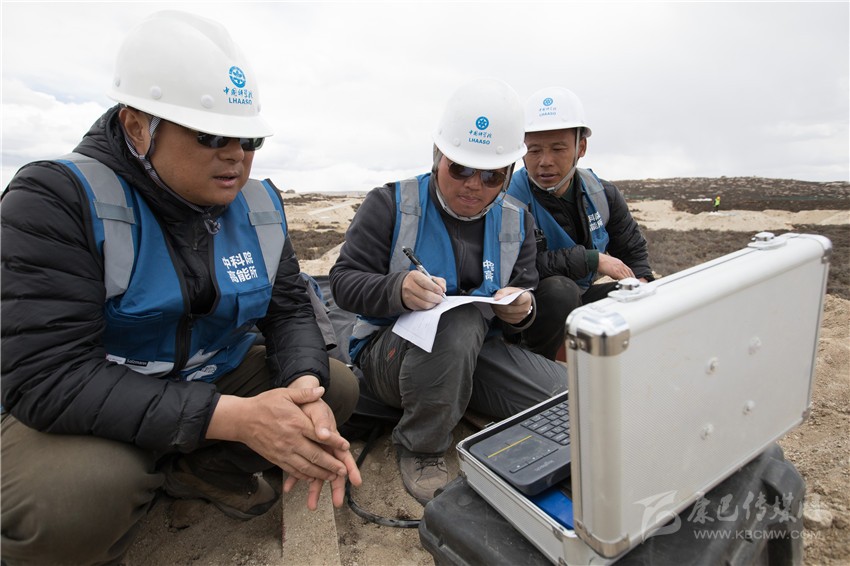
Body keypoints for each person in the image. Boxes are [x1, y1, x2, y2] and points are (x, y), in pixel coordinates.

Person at [0, 11, 361, 565]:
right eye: (211, 135)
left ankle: (194, 472)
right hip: (93, 401)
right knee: (74, 498)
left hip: (207, 377)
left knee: (335, 388)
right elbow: (46, 377)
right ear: (137, 127)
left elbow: (289, 310)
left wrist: (303, 387)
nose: (236, 154)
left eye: (250, 138)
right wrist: (236, 419)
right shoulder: (54, 199)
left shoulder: (260, 205)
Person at [329, 78, 567, 505]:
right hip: (389, 352)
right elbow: (344, 282)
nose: (474, 184)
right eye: (460, 169)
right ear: (438, 155)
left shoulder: (517, 220)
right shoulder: (390, 204)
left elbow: (526, 290)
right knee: (457, 320)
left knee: (567, 400)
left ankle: (452, 398)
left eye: (492, 176)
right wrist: (397, 289)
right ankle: (422, 445)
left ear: (508, 173)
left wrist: (523, 308)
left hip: (477, 354)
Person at [507, 87, 653, 361]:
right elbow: (518, 269)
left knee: (639, 294)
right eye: (534, 150)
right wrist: (591, 259)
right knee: (560, 291)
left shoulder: (602, 193)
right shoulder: (507, 202)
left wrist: (641, 284)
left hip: (581, 299)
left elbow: (632, 251)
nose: (545, 161)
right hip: (528, 312)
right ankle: (535, 367)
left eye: (558, 148)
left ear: (581, 147)